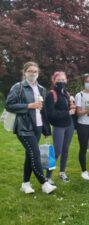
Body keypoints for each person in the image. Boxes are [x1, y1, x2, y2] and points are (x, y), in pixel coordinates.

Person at [5, 61, 56, 194]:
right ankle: (44, 183)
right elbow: (9, 105)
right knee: (35, 154)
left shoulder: (41, 89)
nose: (33, 73)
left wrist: (46, 129)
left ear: (38, 73)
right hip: (24, 126)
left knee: (30, 155)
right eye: (30, 71)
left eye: (35, 71)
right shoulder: (18, 87)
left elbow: (42, 111)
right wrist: (29, 105)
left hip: (38, 126)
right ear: (25, 72)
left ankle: (25, 184)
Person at [45, 71, 75, 183]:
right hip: (59, 126)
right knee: (57, 151)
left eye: (63, 80)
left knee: (65, 150)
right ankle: (48, 176)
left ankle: (62, 172)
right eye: (58, 80)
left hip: (69, 125)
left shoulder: (66, 93)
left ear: (66, 80)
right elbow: (50, 113)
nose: (61, 82)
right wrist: (67, 112)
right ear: (54, 81)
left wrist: (73, 108)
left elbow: (70, 109)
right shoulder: (51, 94)